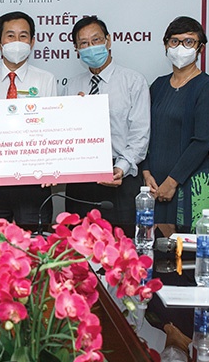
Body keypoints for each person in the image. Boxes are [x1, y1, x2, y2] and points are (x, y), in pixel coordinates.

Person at [64, 15, 150, 223]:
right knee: (78, 238)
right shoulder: (72, 86)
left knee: (122, 240)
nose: (91, 47)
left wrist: (120, 168)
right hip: (81, 178)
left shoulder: (133, 81)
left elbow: (140, 135)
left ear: (108, 41)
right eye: (84, 43)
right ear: (76, 49)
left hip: (120, 177)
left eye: (96, 40)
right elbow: (65, 132)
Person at [0, 11, 56, 224]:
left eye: (23, 36)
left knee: (35, 242)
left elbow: (53, 127)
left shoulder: (46, 80)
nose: (17, 42)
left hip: (34, 180)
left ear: (32, 42)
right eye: (10, 36)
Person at [142, 16, 209, 229]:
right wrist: (146, 172)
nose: (180, 48)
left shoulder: (207, 87)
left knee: (192, 248)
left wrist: (172, 182)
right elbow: (144, 132)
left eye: (189, 42)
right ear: (166, 45)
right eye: (174, 41)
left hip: (191, 186)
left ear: (200, 48)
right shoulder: (158, 86)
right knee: (153, 245)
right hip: (155, 185)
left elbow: (203, 141)